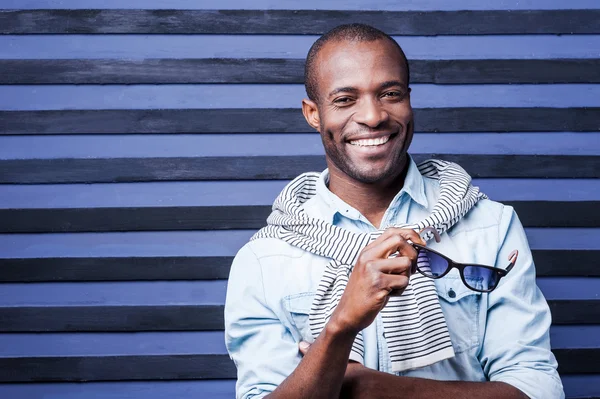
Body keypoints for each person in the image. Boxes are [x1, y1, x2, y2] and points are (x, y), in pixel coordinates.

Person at [224, 23, 564, 399]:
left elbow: (539, 390)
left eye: (390, 93)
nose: (372, 116)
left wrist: (377, 389)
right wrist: (340, 327)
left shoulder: (490, 227)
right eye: (344, 100)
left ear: (409, 99)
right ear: (313, 113)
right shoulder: (263, 259)